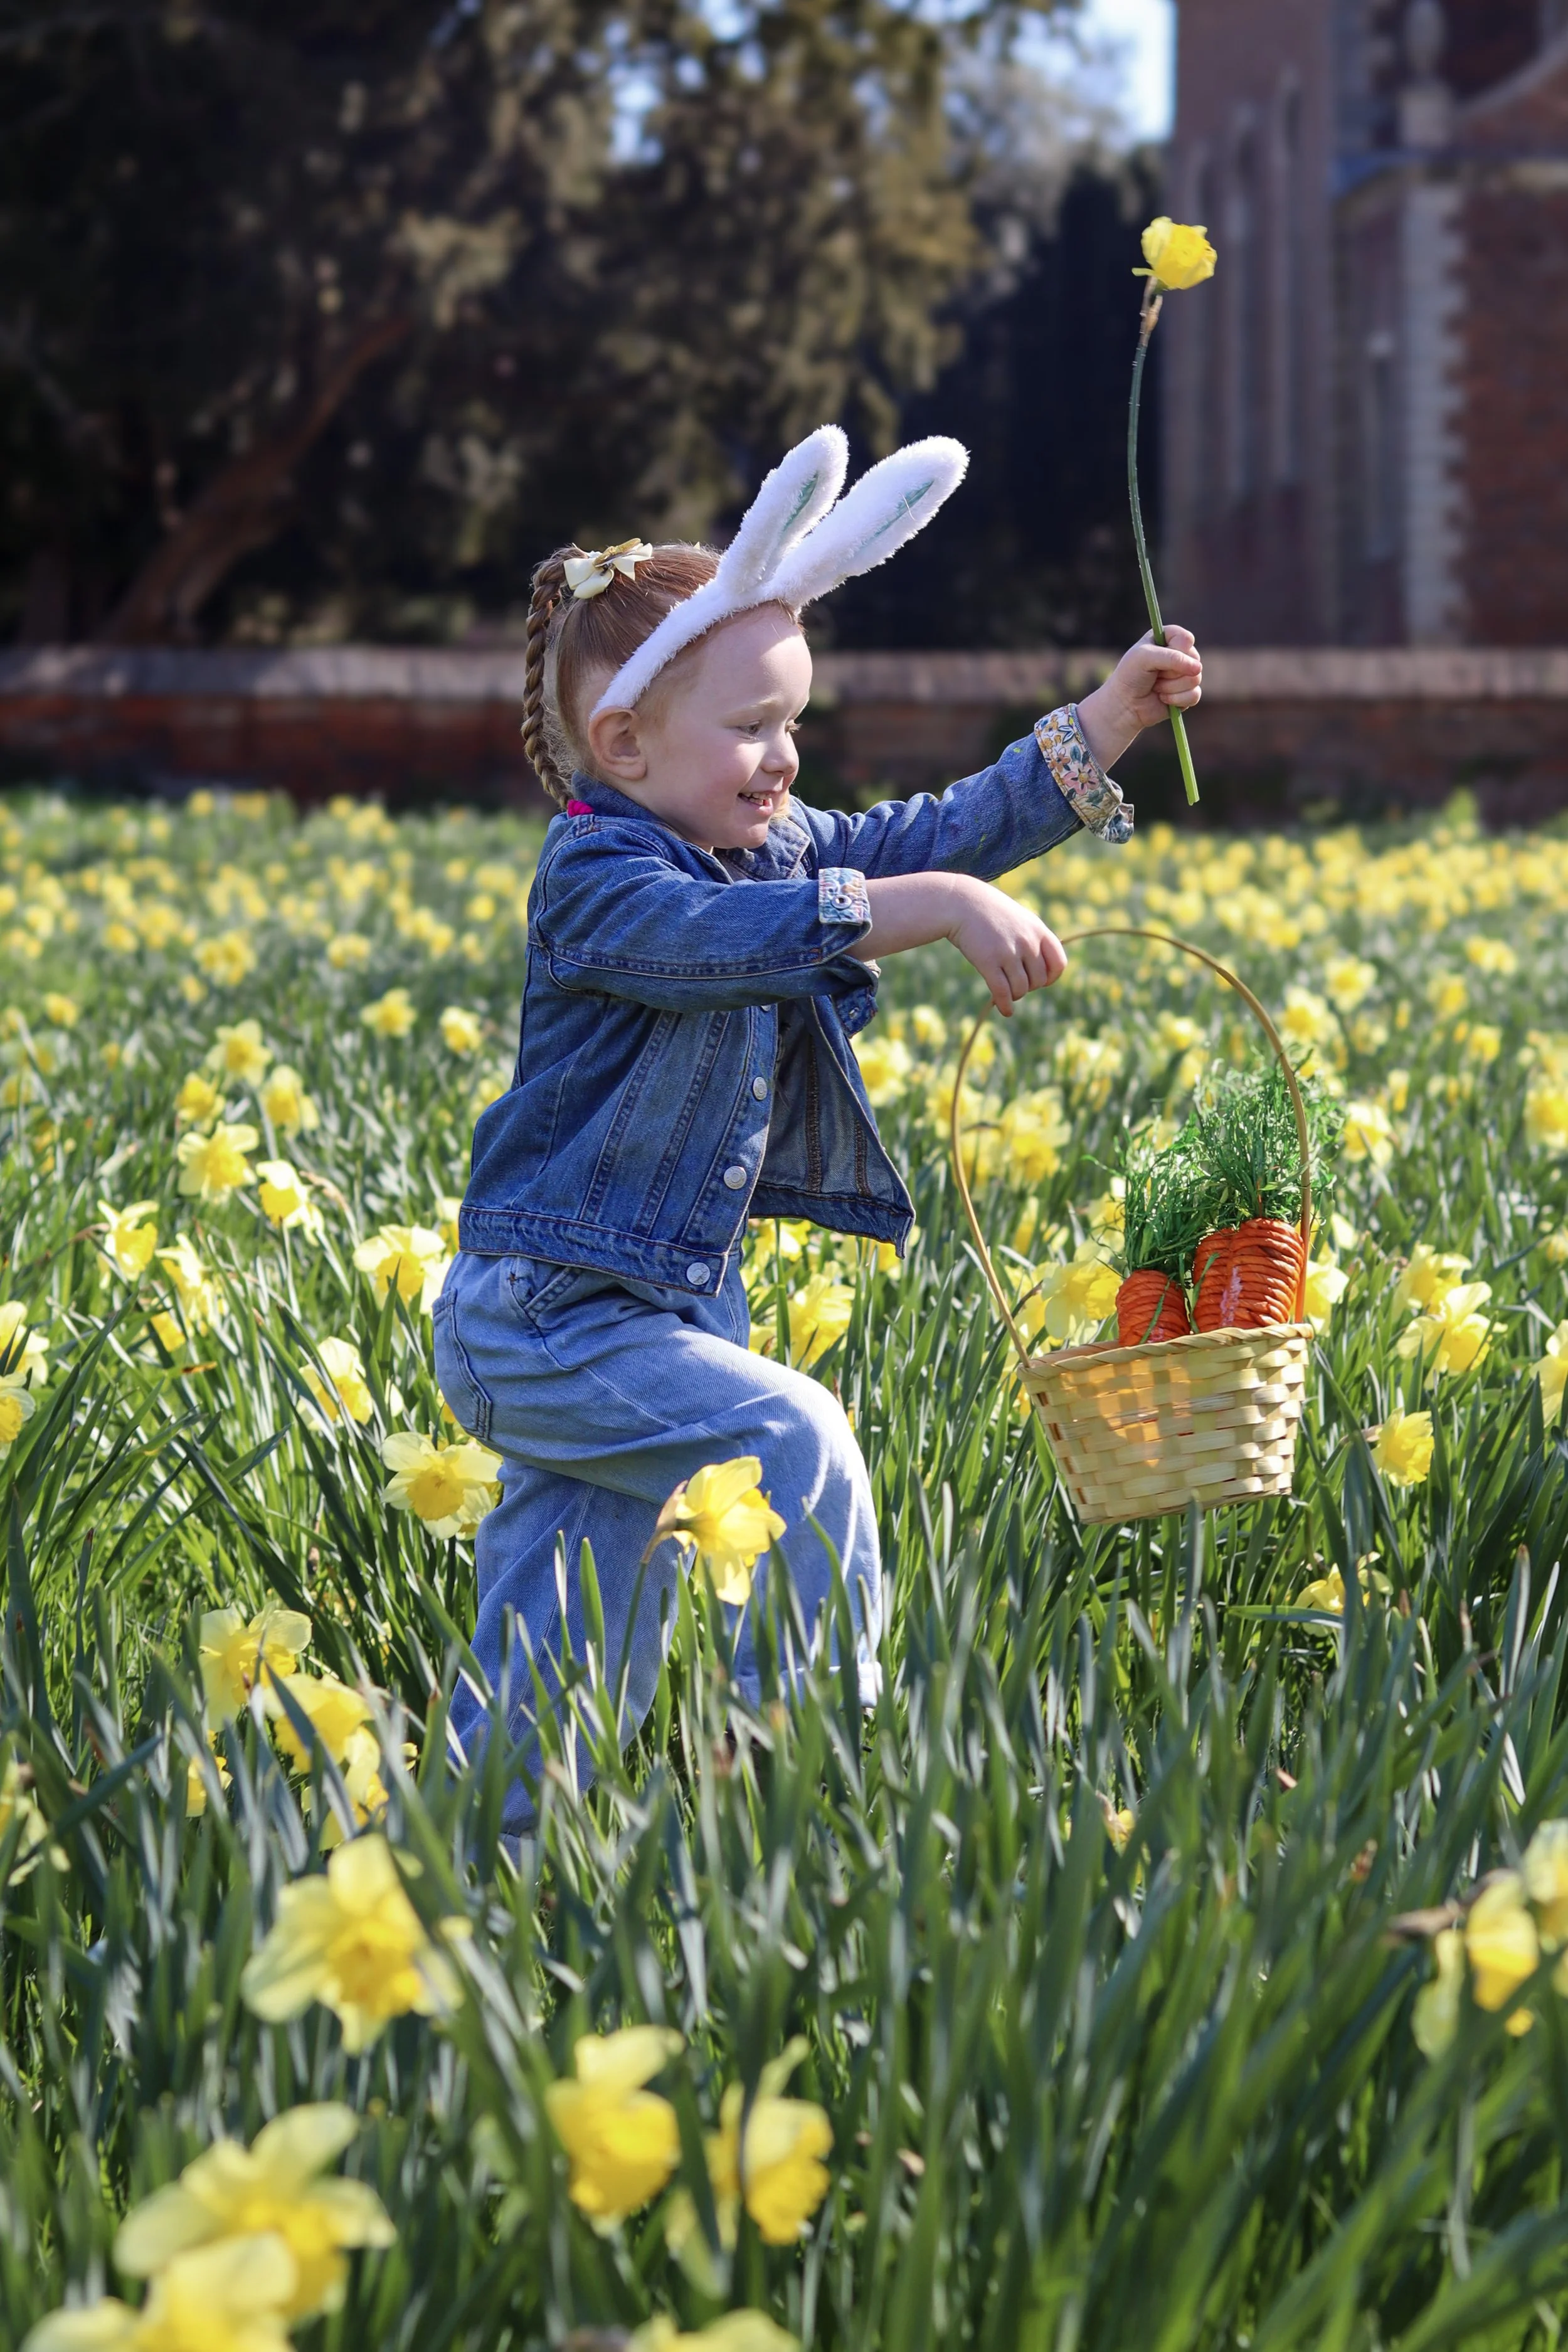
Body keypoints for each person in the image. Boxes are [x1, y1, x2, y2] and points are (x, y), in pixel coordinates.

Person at [433, 427, 1202, 1826]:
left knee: (555, 1659)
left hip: (642, 1323)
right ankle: (803, 1795)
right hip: (543, 1324)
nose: (784, 760)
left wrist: (1104, 723)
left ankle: (477, 1873)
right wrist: (931, 916)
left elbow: (935, 830)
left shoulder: (763, 837)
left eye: (794, 724)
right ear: (623, 744)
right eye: (749, 730)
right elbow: (729, 941)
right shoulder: (600, 881)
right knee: (797, 1447)